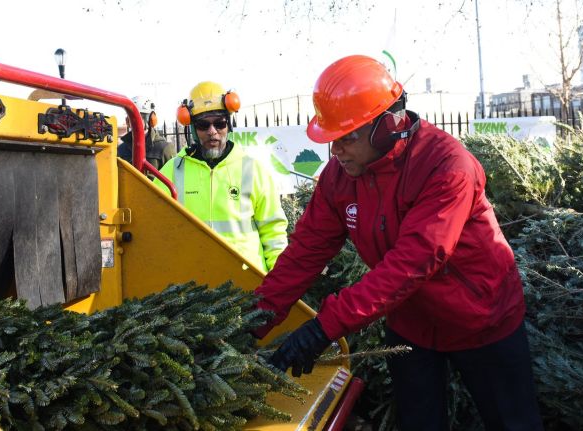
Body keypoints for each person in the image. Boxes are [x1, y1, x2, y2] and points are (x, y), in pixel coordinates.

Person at [253, 55, 543, 430]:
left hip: (481, 319)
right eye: (332, 140)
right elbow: (305, 252)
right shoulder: (340, 177)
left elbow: (413, 262)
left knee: (512, 423)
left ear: (387, 125)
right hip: (411, 325)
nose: (336, 151)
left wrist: (323, 328)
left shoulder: (446, 166)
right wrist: (255, 318)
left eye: (347, 137)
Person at [153, 81, 288, 272]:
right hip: (192, 285)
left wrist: (279, 282)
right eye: (203, 125)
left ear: (229, 125)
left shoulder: (252, 169)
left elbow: (273, 232)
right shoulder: (172, 170)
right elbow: (153, 224)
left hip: (247, 282)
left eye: (220, 123)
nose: (212, 132)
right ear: (192, 129)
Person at [117, 96, 176, 177]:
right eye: (130, 117)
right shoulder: (121, 150)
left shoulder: (164, 148)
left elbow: (174, 178)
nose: (133, 121)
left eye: (137, 117)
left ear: (150, 119)